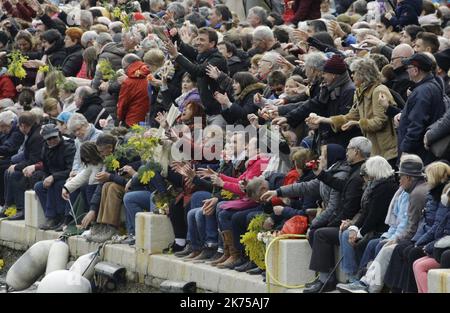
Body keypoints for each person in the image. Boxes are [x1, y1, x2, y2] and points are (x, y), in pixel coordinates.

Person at [337, 154, 428, 293]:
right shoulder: (402, 190)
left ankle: (366, 285)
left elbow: (409, 224)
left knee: (379, 244)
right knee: (365, 240)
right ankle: (360, 280)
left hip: (409, 237)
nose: (399, 179)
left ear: (409, 177)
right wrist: (355, 226)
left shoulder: (412, 193)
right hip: (397, 233)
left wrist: (394, 238)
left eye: (401, 176)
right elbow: (368, 212)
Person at [309, 58, 398, 166]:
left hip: (386, 151)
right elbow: (351, 116)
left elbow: (379, 122)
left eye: (354, 73)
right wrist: (323, 119)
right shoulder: (359, 92)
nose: (352, 76)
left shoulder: (379, 91)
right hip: (374, 149)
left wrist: (357, 123)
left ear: (363, 74)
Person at [339, 156, 398, 284]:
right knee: (346, 233)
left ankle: (357, 277)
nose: (367, 175)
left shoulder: (385, 188)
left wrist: (359, 233)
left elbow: (374, 216)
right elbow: (366, 212)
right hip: (373, 227)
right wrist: (354, 228)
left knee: (359, 241)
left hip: (381, 230)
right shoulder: (376, 186)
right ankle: (352, 275)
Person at [165, 27, 228, 127]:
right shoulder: (202, 56)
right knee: (199, 140)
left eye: (202, 40)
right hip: (205, 113)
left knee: (213, 141)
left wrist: (176, 55)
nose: (198, 42)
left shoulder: (217, 59)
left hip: (218, 113)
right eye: (197, 39)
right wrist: (176, 35)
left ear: (212, 44)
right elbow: (187, 50)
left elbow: (197, 71)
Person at [397, 53, 446, 165]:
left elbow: (417, 124)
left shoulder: (423, 92)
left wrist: (406, 150)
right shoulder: (430, 86)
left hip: (418, 155)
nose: (406, 71)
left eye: (407, 68)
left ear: (415, 70)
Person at [33, 124, 76, 230]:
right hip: (53, 177)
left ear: (59, 135)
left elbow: (70, 169)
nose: (52, 140)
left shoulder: (68, 147)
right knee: (39, 186)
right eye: (49, 139)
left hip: (66, 177)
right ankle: (52, 217)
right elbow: (46, 169)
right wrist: (46, 178)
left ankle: (61, 217)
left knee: (57, 184)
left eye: (54, 137)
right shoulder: (45, 148)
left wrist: (53, 177)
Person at [4, 112, 43, 220]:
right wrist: (16, 163)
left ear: (23, 125)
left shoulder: (36, 137)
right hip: (33, 163)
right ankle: (8, 204)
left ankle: (21, 209)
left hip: (40, 167)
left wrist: (17, 166)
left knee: (15, 174)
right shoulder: (32, 133)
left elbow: (34, 159)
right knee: (8, 171)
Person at [116, 54, 151, 127]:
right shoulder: (151, 72)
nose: (125, 71)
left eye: (124, 68)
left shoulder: (128, 82)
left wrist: (119, 119)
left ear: (129, 66)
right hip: (150, 117)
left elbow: (122, 105)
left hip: (133, 121)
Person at [0, 111, 24, 214]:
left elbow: (9, 147)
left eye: (3, 126)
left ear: (10, 123)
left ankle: (6, 202)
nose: (1, 129)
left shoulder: (17, 132)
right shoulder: (6, 132)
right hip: (10, 158)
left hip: (15, 159)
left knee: (4, 169)